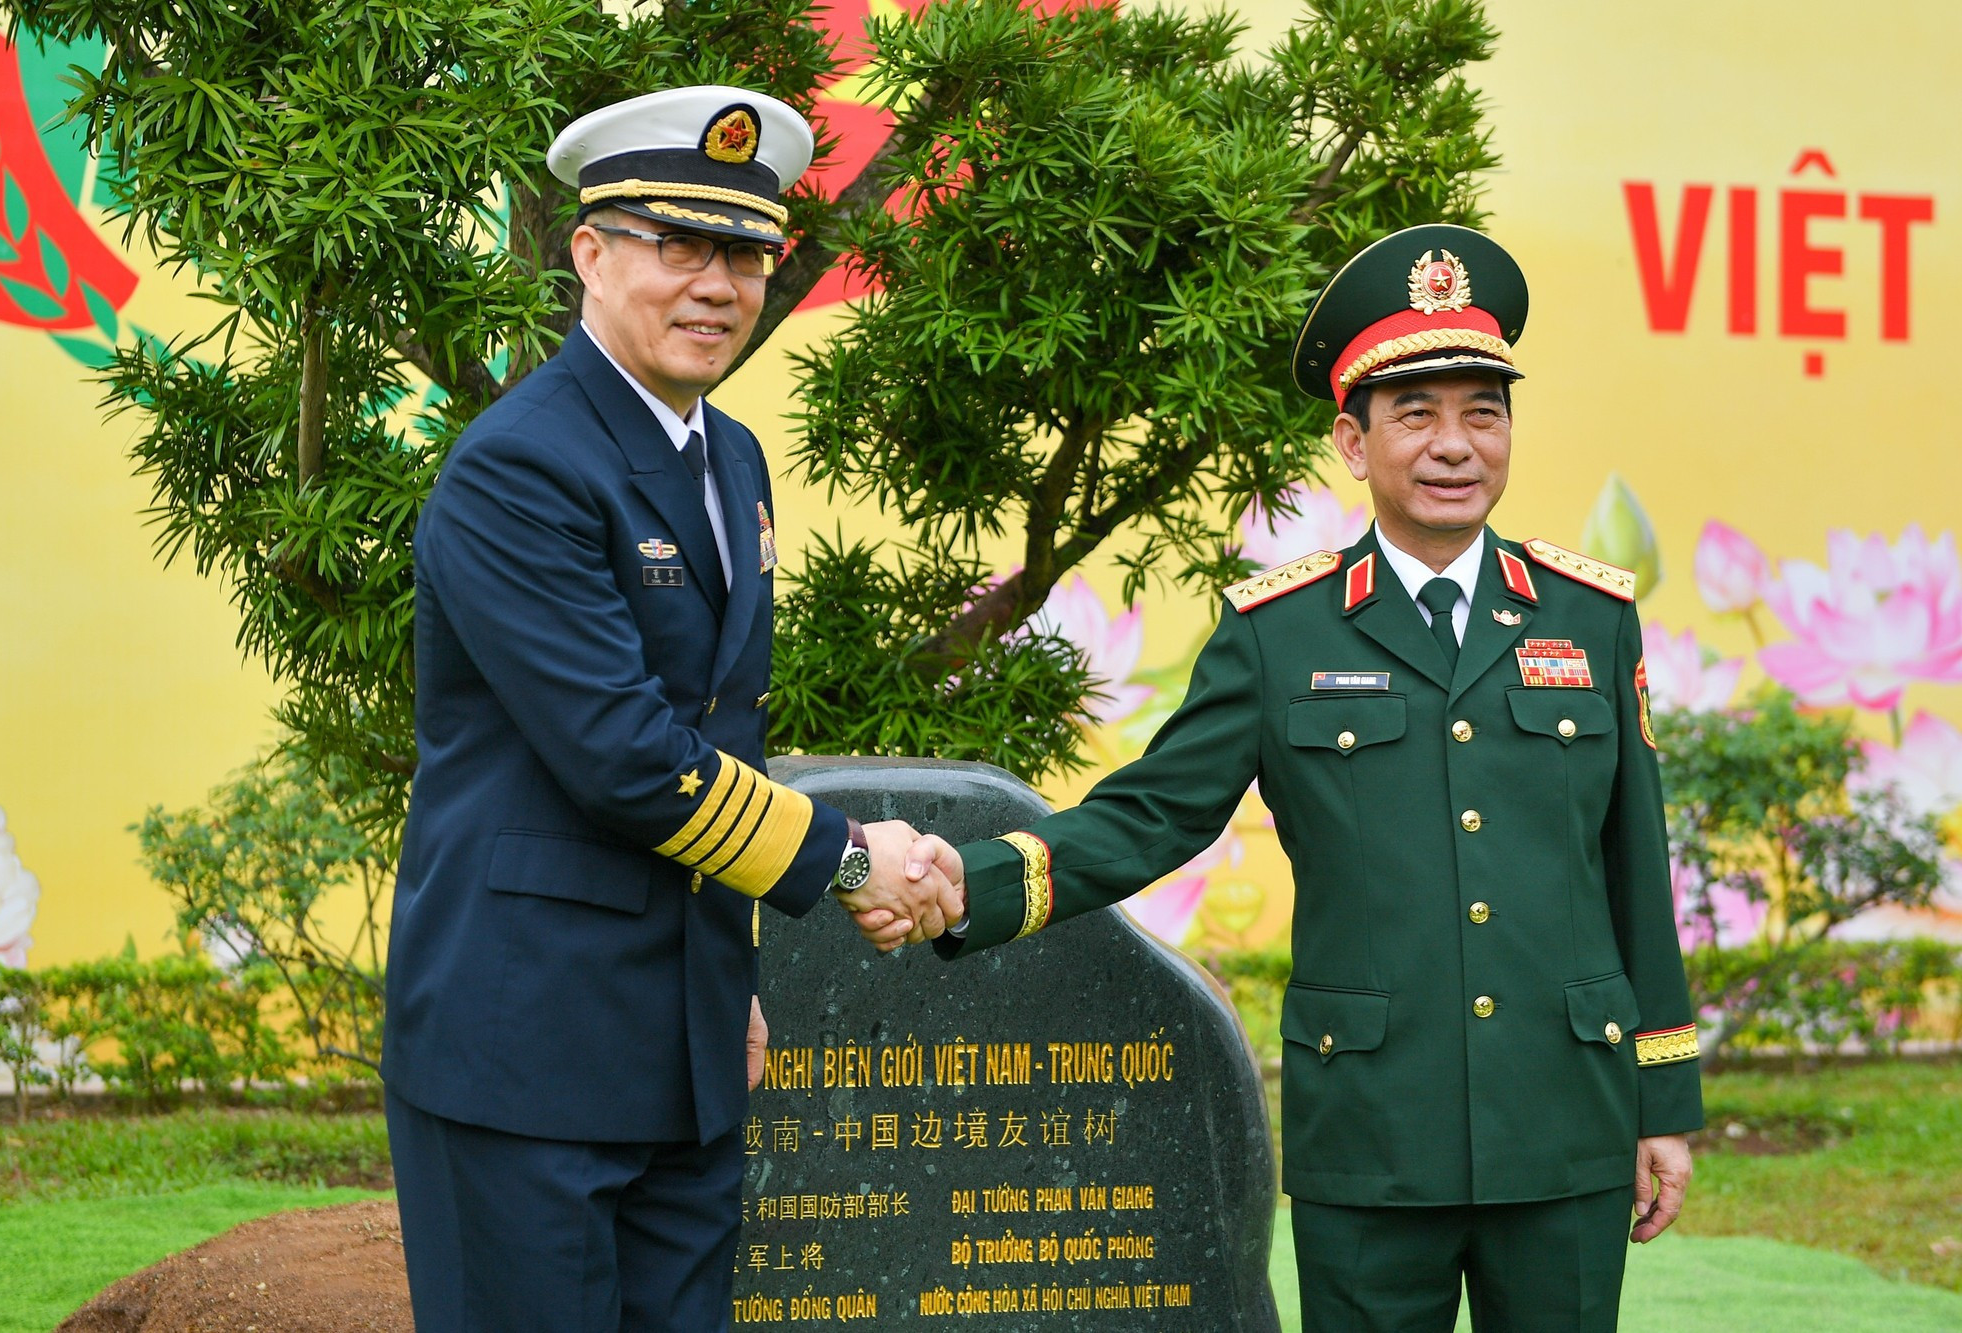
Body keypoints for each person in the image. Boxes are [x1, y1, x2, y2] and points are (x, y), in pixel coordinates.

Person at [860, 224, 1704, 1331]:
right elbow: (1153, 812)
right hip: (1370, 1127)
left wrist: (1662, 1100)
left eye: (1481, 412)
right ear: (1352, 444)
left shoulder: (1588, 620)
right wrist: (972, 881)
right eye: (1415, 415)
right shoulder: (1279, 631)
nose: (1454, 444)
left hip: (1562, 1122)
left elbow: (1633, 868)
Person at [380, 86, 956, 1331]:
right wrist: (851, 859)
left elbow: (717, 729)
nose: (717, 284)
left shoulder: (729, 455)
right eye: (677, 244)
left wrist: (719, 985)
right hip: (521, 1051)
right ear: (588, 253)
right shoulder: (519, 466)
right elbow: (626, 758)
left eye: (744, 252)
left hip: (680, 1044)